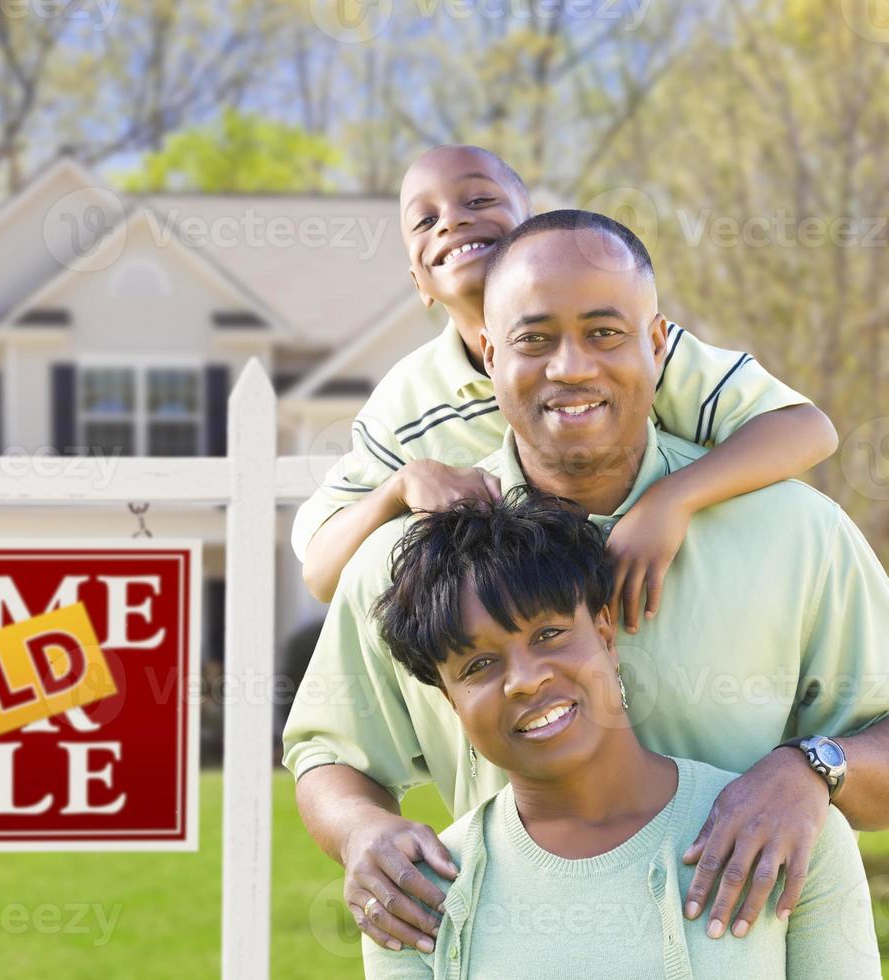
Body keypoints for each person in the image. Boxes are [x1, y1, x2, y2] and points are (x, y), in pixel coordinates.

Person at [282, 210, 889, 957]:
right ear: (488, 351)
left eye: (604, 332)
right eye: (534, 340)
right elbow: (328, 752)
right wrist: (361, 831)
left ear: (657, 343)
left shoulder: (797, 533)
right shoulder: (411, 564)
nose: (570, 367)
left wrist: (812, 771)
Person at [295, 145, 838, 641]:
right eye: (425, 219)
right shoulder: (407, 403)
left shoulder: (630, 348)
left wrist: (672, 499)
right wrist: (402, 486)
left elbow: (806, 429)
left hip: (669, 612)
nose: (453, 220)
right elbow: (321, 573)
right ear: (419, 281)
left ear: (534, 232)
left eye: (479, 199)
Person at [358, 490, 879, 979]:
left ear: (605, 634)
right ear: (451, 701)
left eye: (549, 634)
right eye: (479, 665)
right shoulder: (411, 894)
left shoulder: (787, 831)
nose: (525, 679)